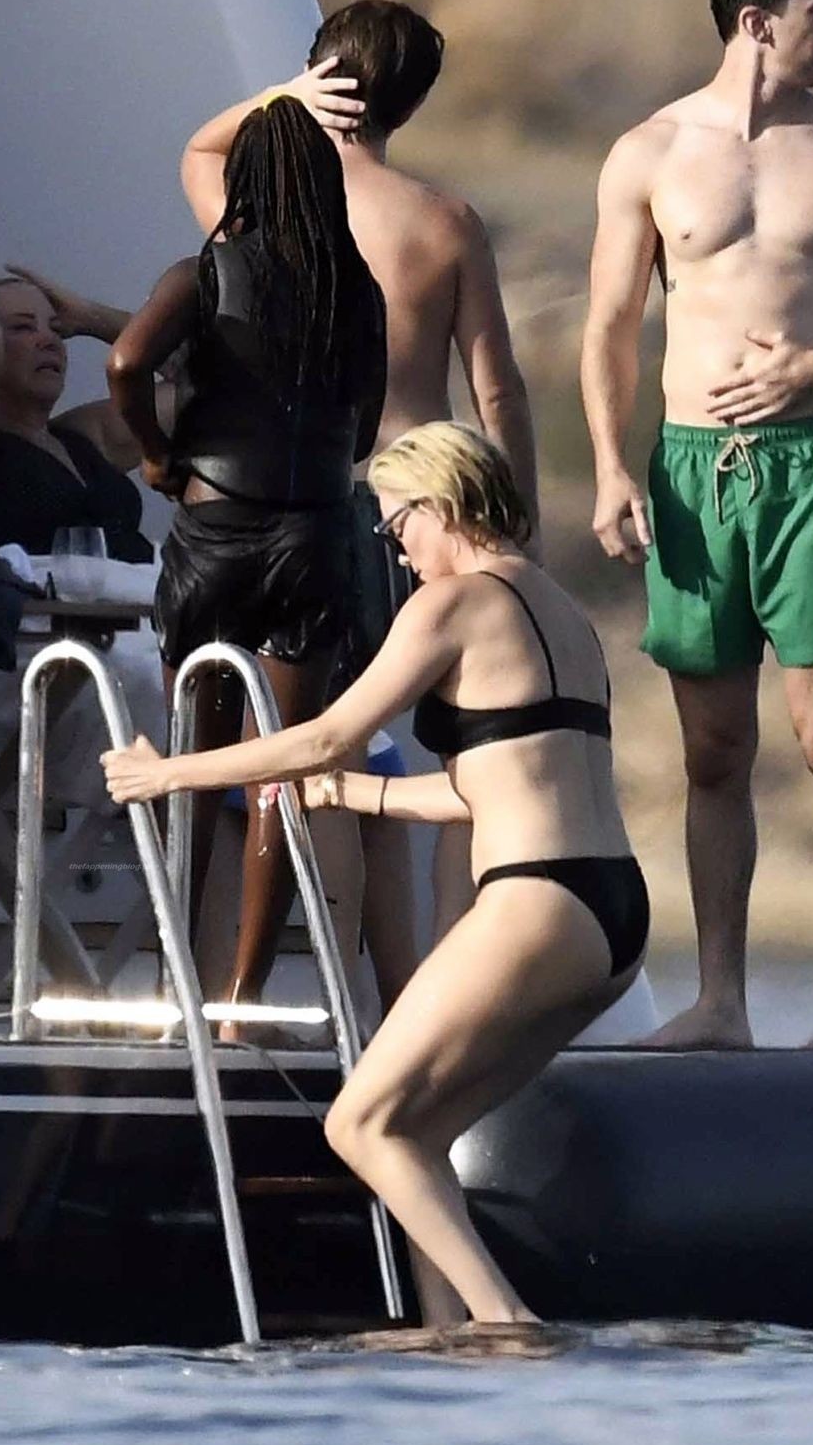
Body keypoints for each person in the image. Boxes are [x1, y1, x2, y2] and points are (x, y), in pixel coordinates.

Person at [103, 422, 645, 1325]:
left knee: (356, 1122)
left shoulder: (452, 604)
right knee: (415, 1133)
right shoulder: (562, 609)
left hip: (536, 903)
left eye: (397, 526)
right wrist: (357, 794)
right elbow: (493, 786)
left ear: (441, 504)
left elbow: (323, 731)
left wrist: (168, 774)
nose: (396, 551)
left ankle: (506, 1324)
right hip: (612, 912)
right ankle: (445, 1335)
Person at [581, 0, 813, 1050]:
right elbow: (610, 325)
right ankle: (721, 1003)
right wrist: (609, 467)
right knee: (713, 750)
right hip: (692, 470)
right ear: (756, 20)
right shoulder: (648, 153)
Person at [183, 0, 540, 950]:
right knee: (450, 753)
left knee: (311, 756)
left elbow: (199, 150)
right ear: (410, 107)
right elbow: (497, 388)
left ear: (318, 78)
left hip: (301, 503)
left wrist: (282, 97)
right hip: (421, 504)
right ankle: (420, 983)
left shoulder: (267, 212)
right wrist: (519, 524)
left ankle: (330, 987)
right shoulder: (445, 221)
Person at [108, 96, 387, 1010]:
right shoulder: (358, 290)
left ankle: (174, 980)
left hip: (216, 528)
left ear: (245, 185)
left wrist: (157, 452)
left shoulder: (206, 272)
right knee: (282, 773)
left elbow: (125, 363)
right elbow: (364, 432)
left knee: (193, 765)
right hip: (314, 531)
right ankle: (243, 993)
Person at [0, 264, 149, 562]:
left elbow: (200, 379)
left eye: (56, 329)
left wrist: (89, 317)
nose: (50, 341)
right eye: (22, 327)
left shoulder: (85, 436)